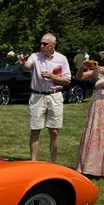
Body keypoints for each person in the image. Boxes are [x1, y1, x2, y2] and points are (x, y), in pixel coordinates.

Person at [18, 33, 71, 163]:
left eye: (45, 44)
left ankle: (53, 163)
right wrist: (22, 63)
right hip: (37, 96)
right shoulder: (35, 56)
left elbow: (67, 80)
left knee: (54, 131)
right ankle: (33, 162)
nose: (41, 46)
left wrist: (53, 77)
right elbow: (27, 67)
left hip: (55, 96)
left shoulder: (61, 59)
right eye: (40, 43)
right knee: (35, 130)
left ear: (53, 45)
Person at [74, 54, 104, 177]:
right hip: (98, 105)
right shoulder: (99, 71)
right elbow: (80, 77)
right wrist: (82, 67)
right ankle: (91, 166)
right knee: (95, 131)